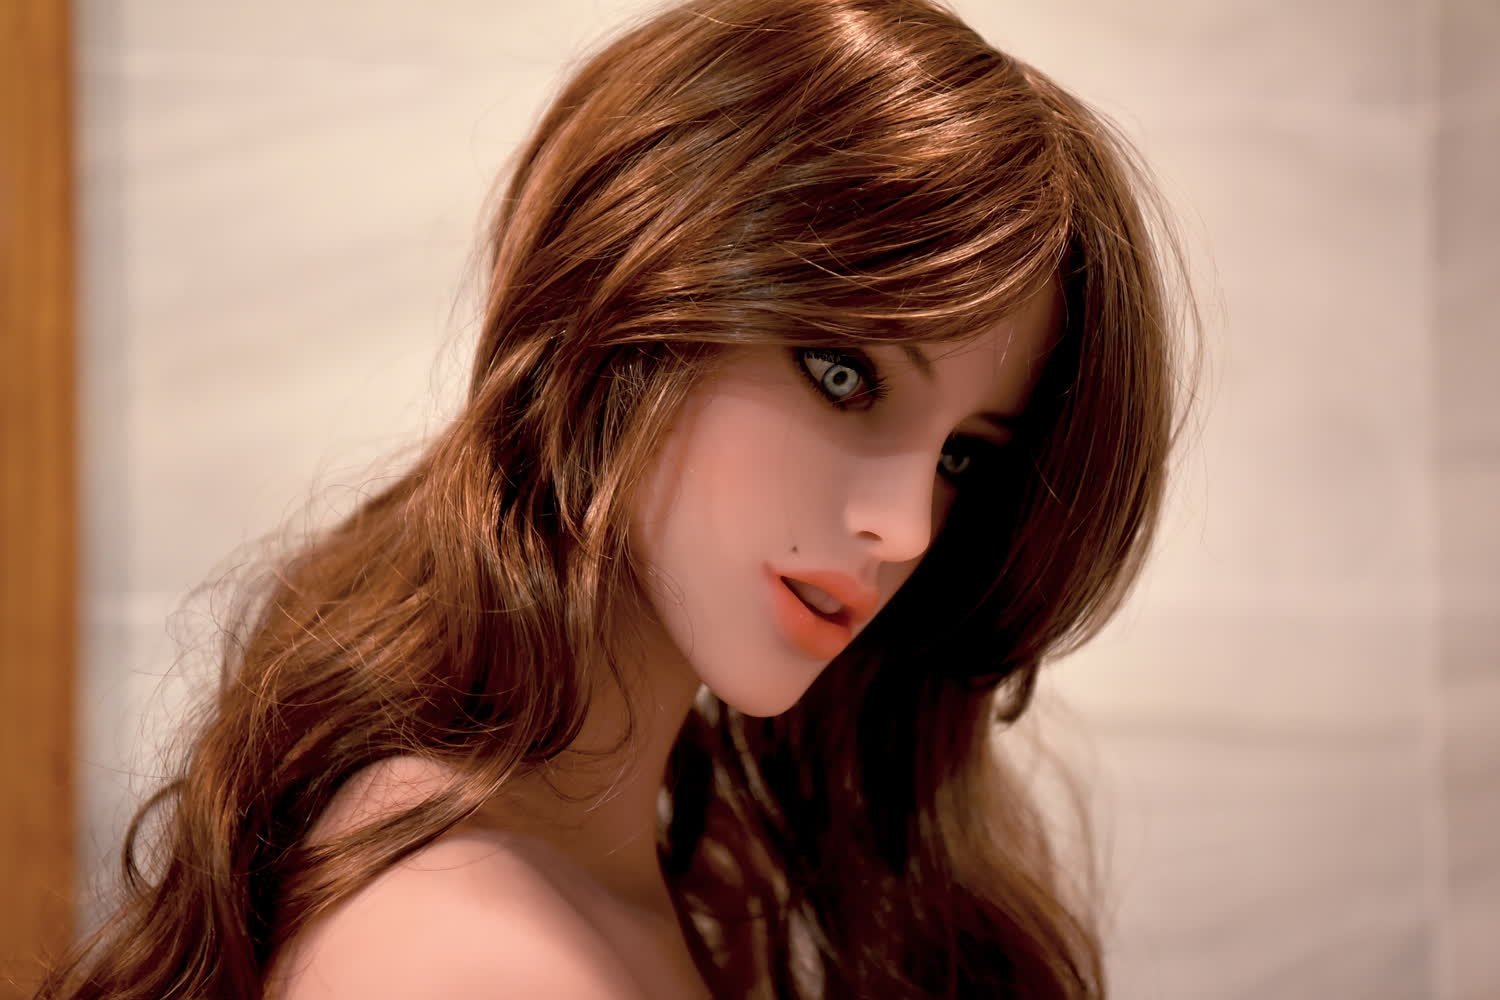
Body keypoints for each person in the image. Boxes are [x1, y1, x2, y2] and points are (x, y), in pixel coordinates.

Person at [39, 0, 1193, 996]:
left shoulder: (667, 862)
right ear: (632, 298)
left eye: (963, 459)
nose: (903, 526)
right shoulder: (467, 952)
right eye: (844, 375)